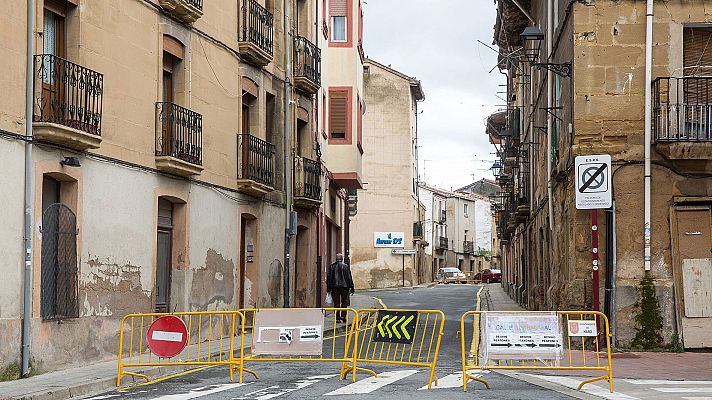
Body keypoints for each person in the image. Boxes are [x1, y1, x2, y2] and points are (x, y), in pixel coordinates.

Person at [326, 253, 354, 322]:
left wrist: (328, 289)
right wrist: (352, 287)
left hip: (334, 287)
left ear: (336, 259)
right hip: (345, 287)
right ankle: (343, 317)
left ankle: (337, 318)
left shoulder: (332, 266)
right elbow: (349, 277)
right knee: (344, 302)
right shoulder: (346, 266)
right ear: (342, 259)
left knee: (336, 303)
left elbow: (329, 278)